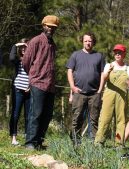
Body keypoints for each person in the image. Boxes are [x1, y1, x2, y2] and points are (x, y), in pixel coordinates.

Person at [22, 15, 59, 150]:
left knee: (47, 115)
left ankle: (39, 141)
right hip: (38, 83)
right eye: (49, 26)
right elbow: (26, 61)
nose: (51, 29)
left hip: (50, 85)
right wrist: (33, 76)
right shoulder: (36, 41)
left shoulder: (53, 44)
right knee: (36, 114)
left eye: (54, 27)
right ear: (43, 26)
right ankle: (30, 143)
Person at [95, 44, 129, 146]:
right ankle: (99, 142)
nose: (117, 54)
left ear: (124, 54)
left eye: (120, 52)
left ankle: (119, 143)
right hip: (109, 93)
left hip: (122, 95)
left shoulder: (128, 68)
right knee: (105, 118)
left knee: (121, 119)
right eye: (116, 52)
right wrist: (108, 72)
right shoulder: (108, 65)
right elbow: (104, 78)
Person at [66, 32, 105, 143]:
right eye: (86, 41)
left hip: (94, 93)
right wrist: (72, 87)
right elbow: (69, 71)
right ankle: (75, 142)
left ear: (93, 42)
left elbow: (103, 73)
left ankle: (94, 144)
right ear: (82, 42)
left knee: (94, 120)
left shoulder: (99, 56)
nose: (88, 43)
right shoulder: (75, 55)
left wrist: (100, 89)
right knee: (77, 119)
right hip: (79, 92)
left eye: (90, 41)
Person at [9, 38, 30, 146]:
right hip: (18, 89)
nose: (23, 48)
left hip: (28, 90)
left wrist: (30, 86)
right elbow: (11, 57)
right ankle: (13, 137)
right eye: (21, 47)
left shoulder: (32, 60)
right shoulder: (17, 59)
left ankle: (27, 137)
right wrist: (15, 44)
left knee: (28, 115)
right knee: (16, 114)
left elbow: (35, 75)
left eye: (25, 46)